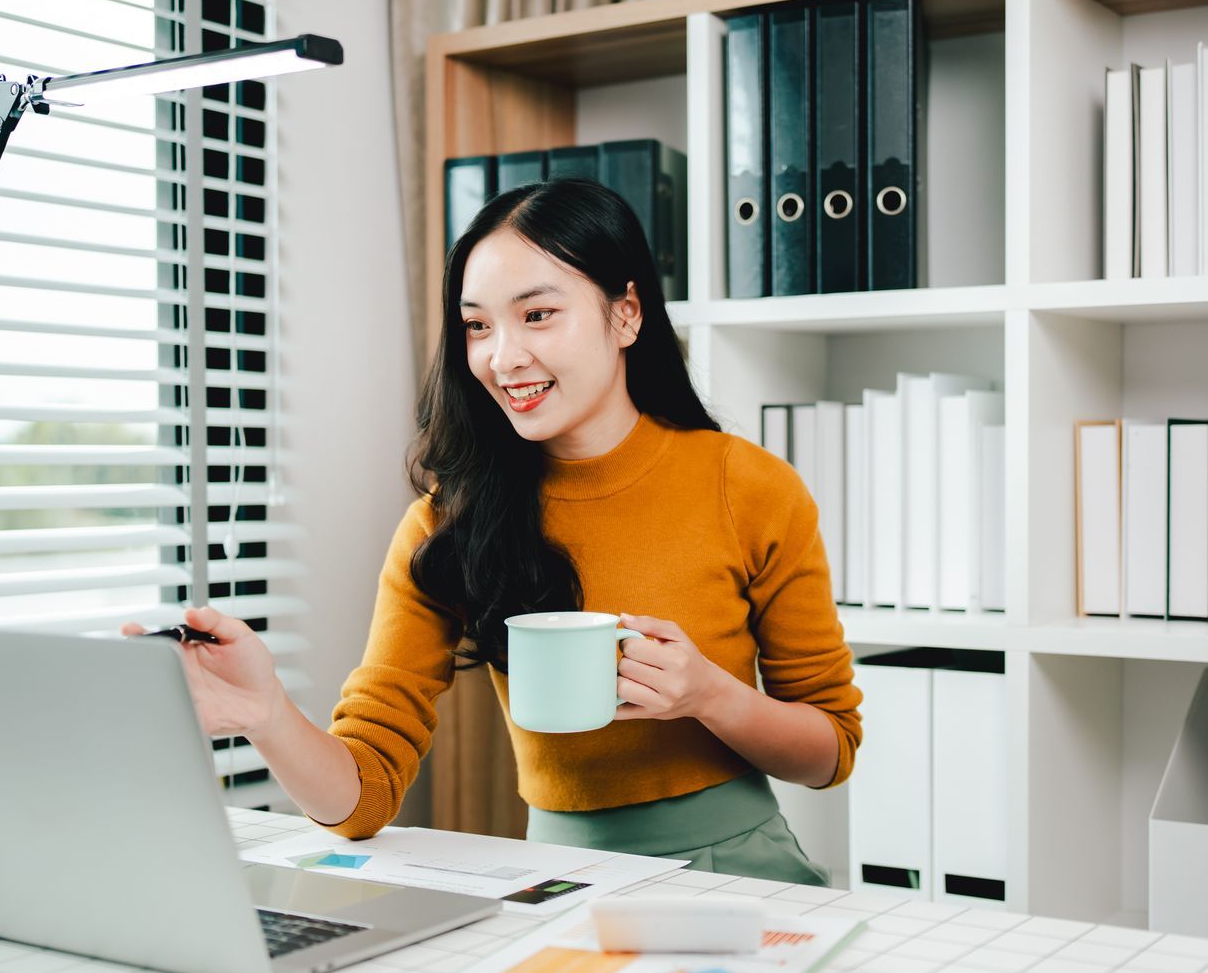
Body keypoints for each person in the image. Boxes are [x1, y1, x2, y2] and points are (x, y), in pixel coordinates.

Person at [125, 177, 861, 884]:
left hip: (741, 873)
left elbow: (830, 753)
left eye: (538, 314)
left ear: (626, 313)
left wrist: (711, 695)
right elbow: (362, 798)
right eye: (478, 325)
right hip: (559, 879)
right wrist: (265, 713)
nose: (502, 357)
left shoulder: (750, 487)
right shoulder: (447, 526)